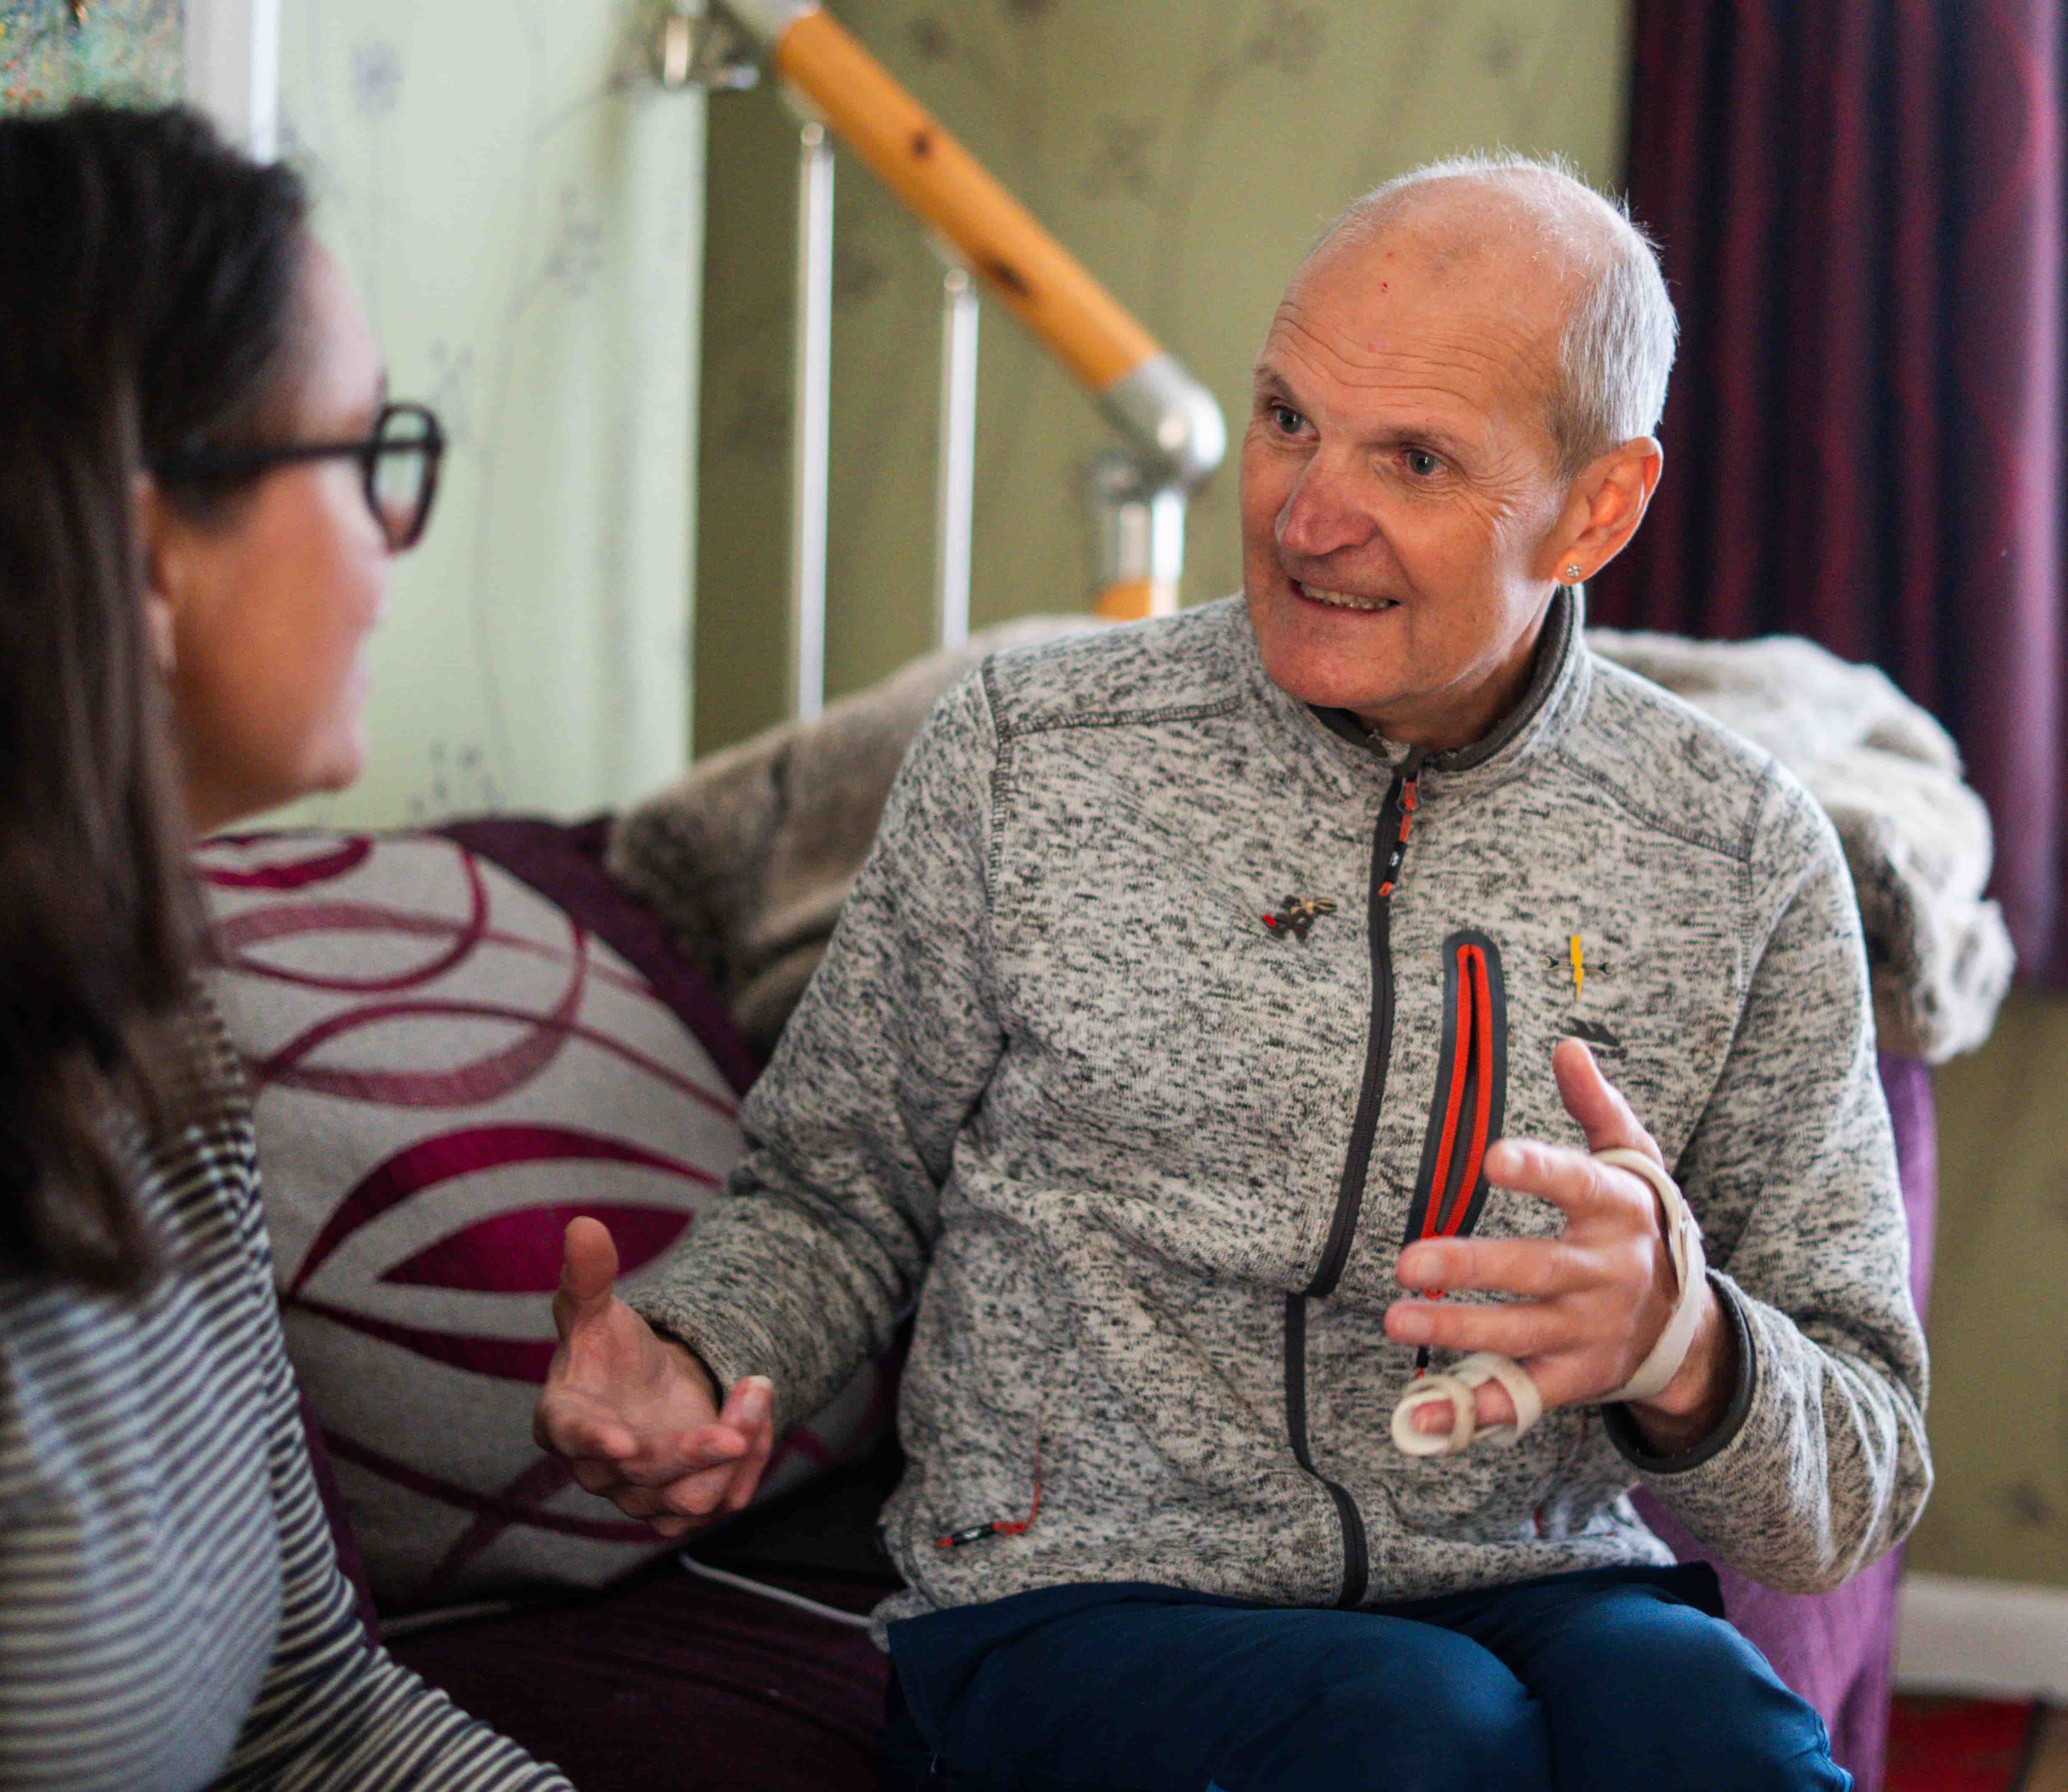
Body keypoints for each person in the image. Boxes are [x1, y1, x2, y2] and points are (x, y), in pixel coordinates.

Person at [536, 153, 1929, 1791]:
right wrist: (693, 1352)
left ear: (1596, 508)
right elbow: (833, 1191)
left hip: (1534, 1577)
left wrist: (1682, 1341)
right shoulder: (1028, 754)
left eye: (1412, 458)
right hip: (1070, 1597)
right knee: (1415, 1728)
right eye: (1285, 420)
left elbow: (1855, 1477)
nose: (1303, 517)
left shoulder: (1737, 851)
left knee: (1715, 1737)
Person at [0, 106, 569, 1790]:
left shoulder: (135, 1043)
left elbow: (314, 1719)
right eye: (359, 456)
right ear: (147, 552)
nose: (391, 542)